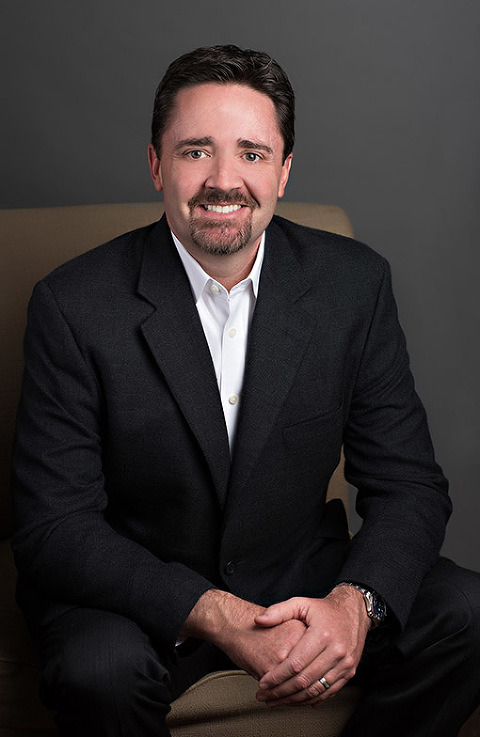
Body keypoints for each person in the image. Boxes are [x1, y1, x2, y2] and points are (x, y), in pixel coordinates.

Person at [11, 44, 480, 737]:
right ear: (156, 164)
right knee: (96, 669)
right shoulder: (73, 304)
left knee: (466, 612)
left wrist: (355, 602)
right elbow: (54, 526)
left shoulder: (354, 286)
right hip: (139, 594)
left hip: (298, 573)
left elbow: (410, 484)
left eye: (253, 154)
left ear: (285, 171)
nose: (224, 179)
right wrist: (216, 614)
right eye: (196, 151)